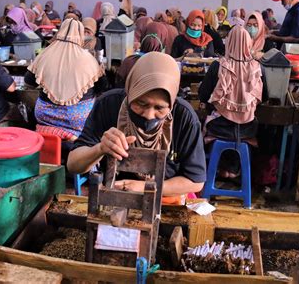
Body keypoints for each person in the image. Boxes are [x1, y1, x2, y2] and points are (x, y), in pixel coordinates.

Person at [67, 52, 206, 197]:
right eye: (140, 103)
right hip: (115, 194)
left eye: (159, 108)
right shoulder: (109, 104)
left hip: (166, 196)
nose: (149, 115)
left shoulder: (184, 117)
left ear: (171, 104)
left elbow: (195, 180)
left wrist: (144, 187)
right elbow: (73, 165)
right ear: (130, 91)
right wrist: (100, 149)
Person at [198, 26, 264, 177]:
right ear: (248, 44)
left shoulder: (218, 66)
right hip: (248, 128)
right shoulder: (256, 67)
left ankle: (219, 168)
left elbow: (203, 94)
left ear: (229, 43)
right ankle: (234, 169)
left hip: (219, 127)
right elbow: (261, 97)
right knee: (242, 130)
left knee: (207, 124)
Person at [25, 19, 105, 142]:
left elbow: (28, 82)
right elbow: (102, 88)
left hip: (45, 116)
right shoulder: (90, 60)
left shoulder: (44, 54)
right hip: (76, 120)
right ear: (81, 35)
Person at [117, 22, 169, 86]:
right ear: (163, 40)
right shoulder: (166, 66)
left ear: (143, 35)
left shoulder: (129, 61)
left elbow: (118, 86)